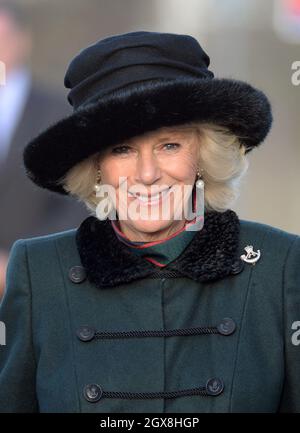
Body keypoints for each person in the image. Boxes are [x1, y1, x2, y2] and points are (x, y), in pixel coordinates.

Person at [0, 30, 299, 413]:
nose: (146, 174)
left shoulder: (280, 266)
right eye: (122, 149)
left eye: (169, 145)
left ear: (204, 156)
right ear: (96, 168)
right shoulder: (39, 272)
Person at [0, 1, 88, 298]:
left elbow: (79, 199)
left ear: (22, 40)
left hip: (40, 285)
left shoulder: (60, 114)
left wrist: (18, 261)